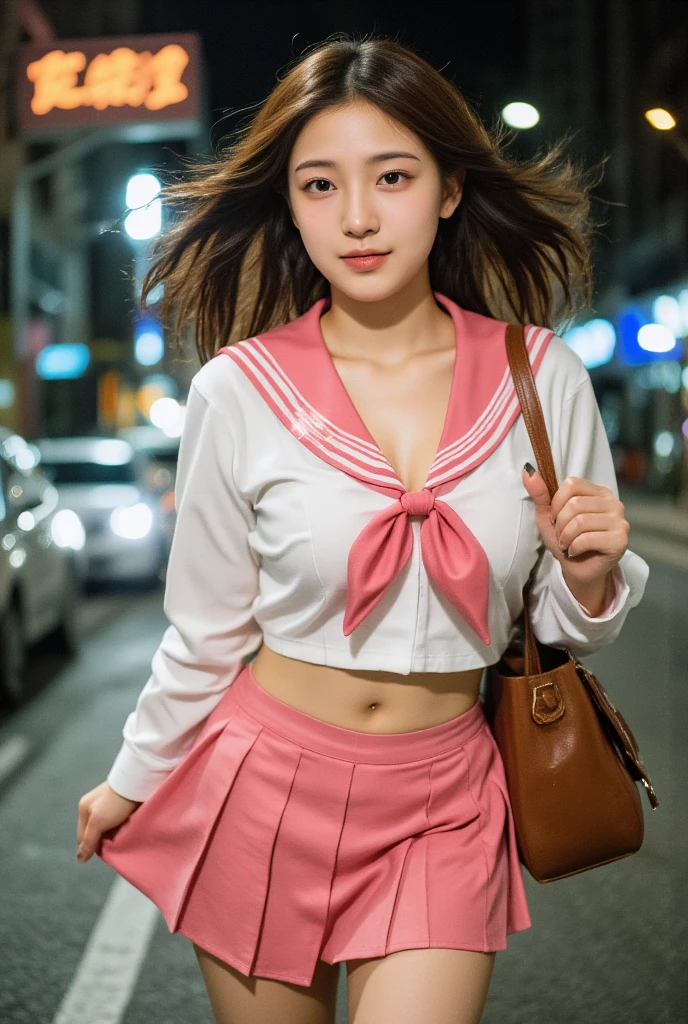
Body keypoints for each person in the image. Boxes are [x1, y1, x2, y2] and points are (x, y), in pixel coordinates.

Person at [76, 34, 650, 1024]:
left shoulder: (541, 375)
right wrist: (134, 776)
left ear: (449, 188)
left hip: (444, 797)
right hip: (261, 786)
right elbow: (206, 627)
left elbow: (558, 619)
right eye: (317, 185)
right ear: (288, 204)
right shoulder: (237, 389)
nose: (355, 217)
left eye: (391, 176)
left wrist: (593, 576)